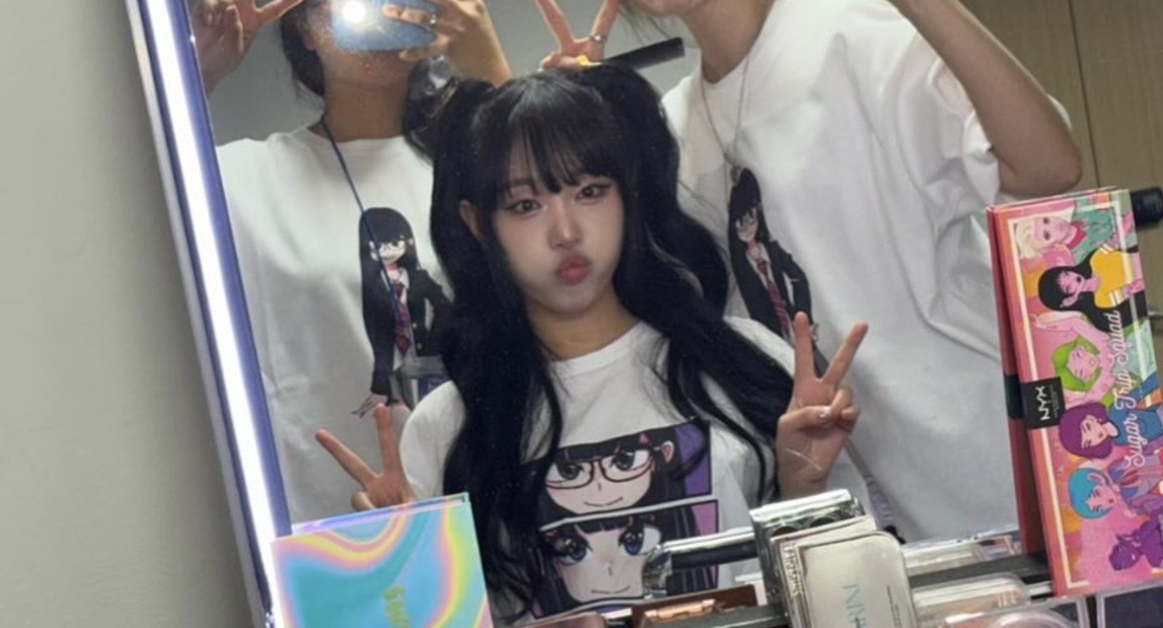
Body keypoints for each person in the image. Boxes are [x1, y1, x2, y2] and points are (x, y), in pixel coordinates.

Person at [316, 65, 868, 621]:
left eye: (590, 192)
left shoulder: (741, 363)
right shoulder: (449, 426)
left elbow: (850, 598)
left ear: (626, 196)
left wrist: (804, 487)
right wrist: (399, 571)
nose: (566, 232)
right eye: (525, 205)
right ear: (478, 224)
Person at [537, 0, 1084, 541]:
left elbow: (1047, 169)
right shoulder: (678, 125)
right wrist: (573, 134)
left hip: (987, 468)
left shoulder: (855, 33)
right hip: (841, 512)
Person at [190, 0, 510, 523]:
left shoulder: (482, 168)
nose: (374, 12)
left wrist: (488, 68)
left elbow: (567, 217)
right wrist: (197, 77)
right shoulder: (246, 177)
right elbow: (120, 227)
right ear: (305, 29)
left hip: (498, 502)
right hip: (337, 522)